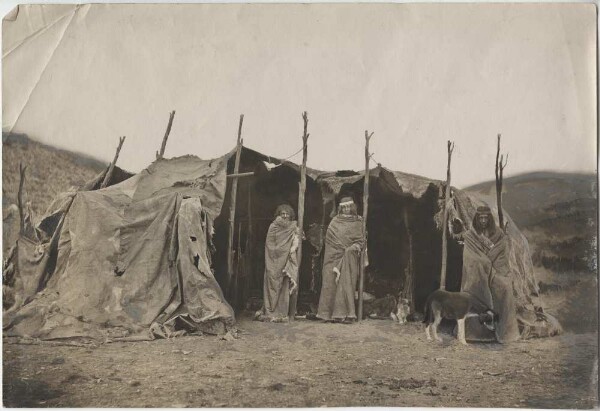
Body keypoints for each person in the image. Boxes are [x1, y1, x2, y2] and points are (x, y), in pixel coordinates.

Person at [461, 205, 520, 342]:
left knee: (504, 287)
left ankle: (504, 330)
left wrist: (491, 266)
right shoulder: (471, 235)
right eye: (480, 218)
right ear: (476, 218)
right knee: (475, 286)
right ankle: (477, 333)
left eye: (485, 218)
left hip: (495, 270)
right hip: (479, 272)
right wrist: (485, 263)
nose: (482, 221)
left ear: (489, 219)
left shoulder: (498, 234)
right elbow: (470, 256)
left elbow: (502, 255)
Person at [317, 196, 366, 323]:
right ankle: (326, 315)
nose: (346, 209)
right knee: (329, 282)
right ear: (340, 208)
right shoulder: (335, 222)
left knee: (347, 284)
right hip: (333, 257)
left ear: (352, 207)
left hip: (349, 258)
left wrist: (353, 248)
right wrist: (338, 250)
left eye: (348, 206)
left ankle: (345, 314)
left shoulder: (358, 222)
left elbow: (360, 241)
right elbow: (329, 240)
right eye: (343, 207)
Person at [257, 204, 300, 322]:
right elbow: (269, 245)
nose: (285, 216)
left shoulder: (293, 227)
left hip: (285, 262)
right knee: (271, 284)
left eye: (287, 214)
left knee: (284, 286)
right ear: (278, 215)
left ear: (291, 215)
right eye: (282, 214)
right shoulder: (273, 226)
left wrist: (290, 249)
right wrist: (282, 251)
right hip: (273, 261)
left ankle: (282, 313)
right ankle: (270, 311)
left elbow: (298, 240)